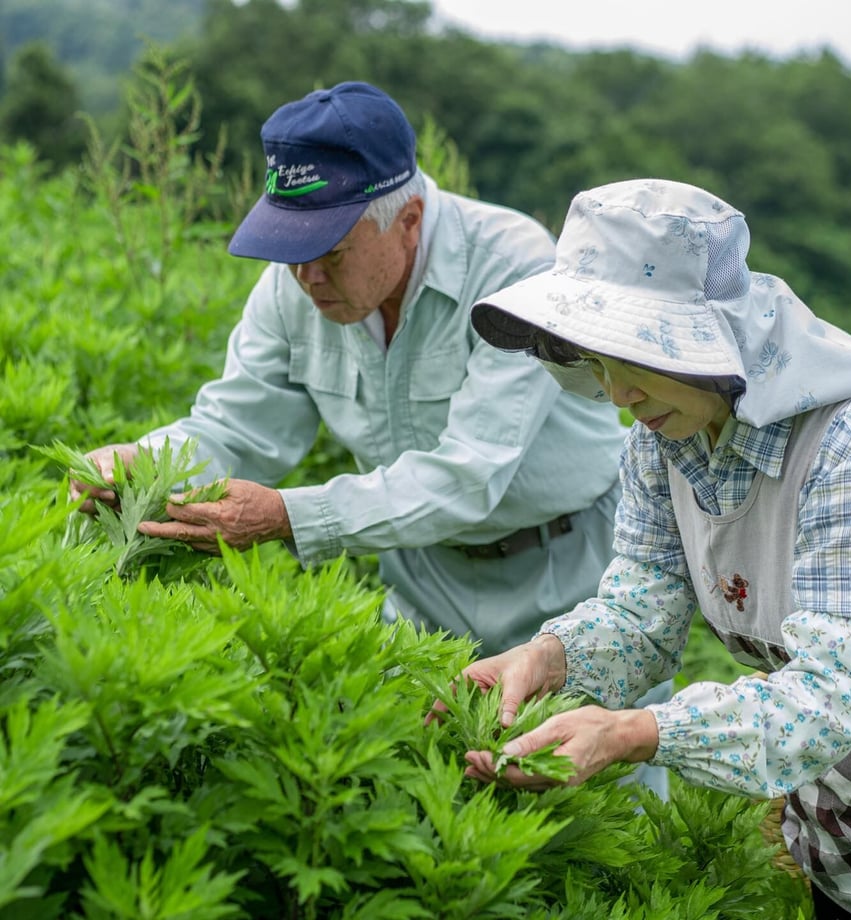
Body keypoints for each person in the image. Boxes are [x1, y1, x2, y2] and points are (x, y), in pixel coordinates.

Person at [68, 82, 672, 781]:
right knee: (427, 789)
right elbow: (237, 423)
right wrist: (144, 463)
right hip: (423, 579)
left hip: (565, 572)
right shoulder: (291, 287)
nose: (306, 275)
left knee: (600, 809)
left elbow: (469, 474)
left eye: (329, 249)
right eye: (290, 247)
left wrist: (285, 516)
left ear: (409, 219)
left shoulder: (511, 266)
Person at [456, 178, 851, 919]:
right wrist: (550, 658)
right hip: (844, 844)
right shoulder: (666, 442)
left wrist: (635, 732)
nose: (615, 394)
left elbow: (829, 699)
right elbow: (641, 619)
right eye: (593, 361)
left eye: (629, 356)